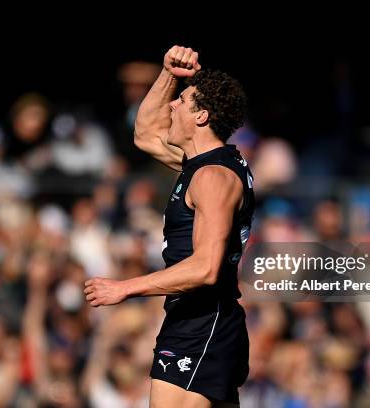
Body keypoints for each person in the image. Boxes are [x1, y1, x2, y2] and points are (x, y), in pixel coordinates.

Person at [84, 45, 254, 407]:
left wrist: (125, 288)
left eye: (183, 100)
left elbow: (206, 267)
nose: (173, 104)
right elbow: (144, 133)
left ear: (202, 116)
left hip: (204, 322)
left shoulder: (213, 176)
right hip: (192, 319)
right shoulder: (199, 164)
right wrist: (169, 75)